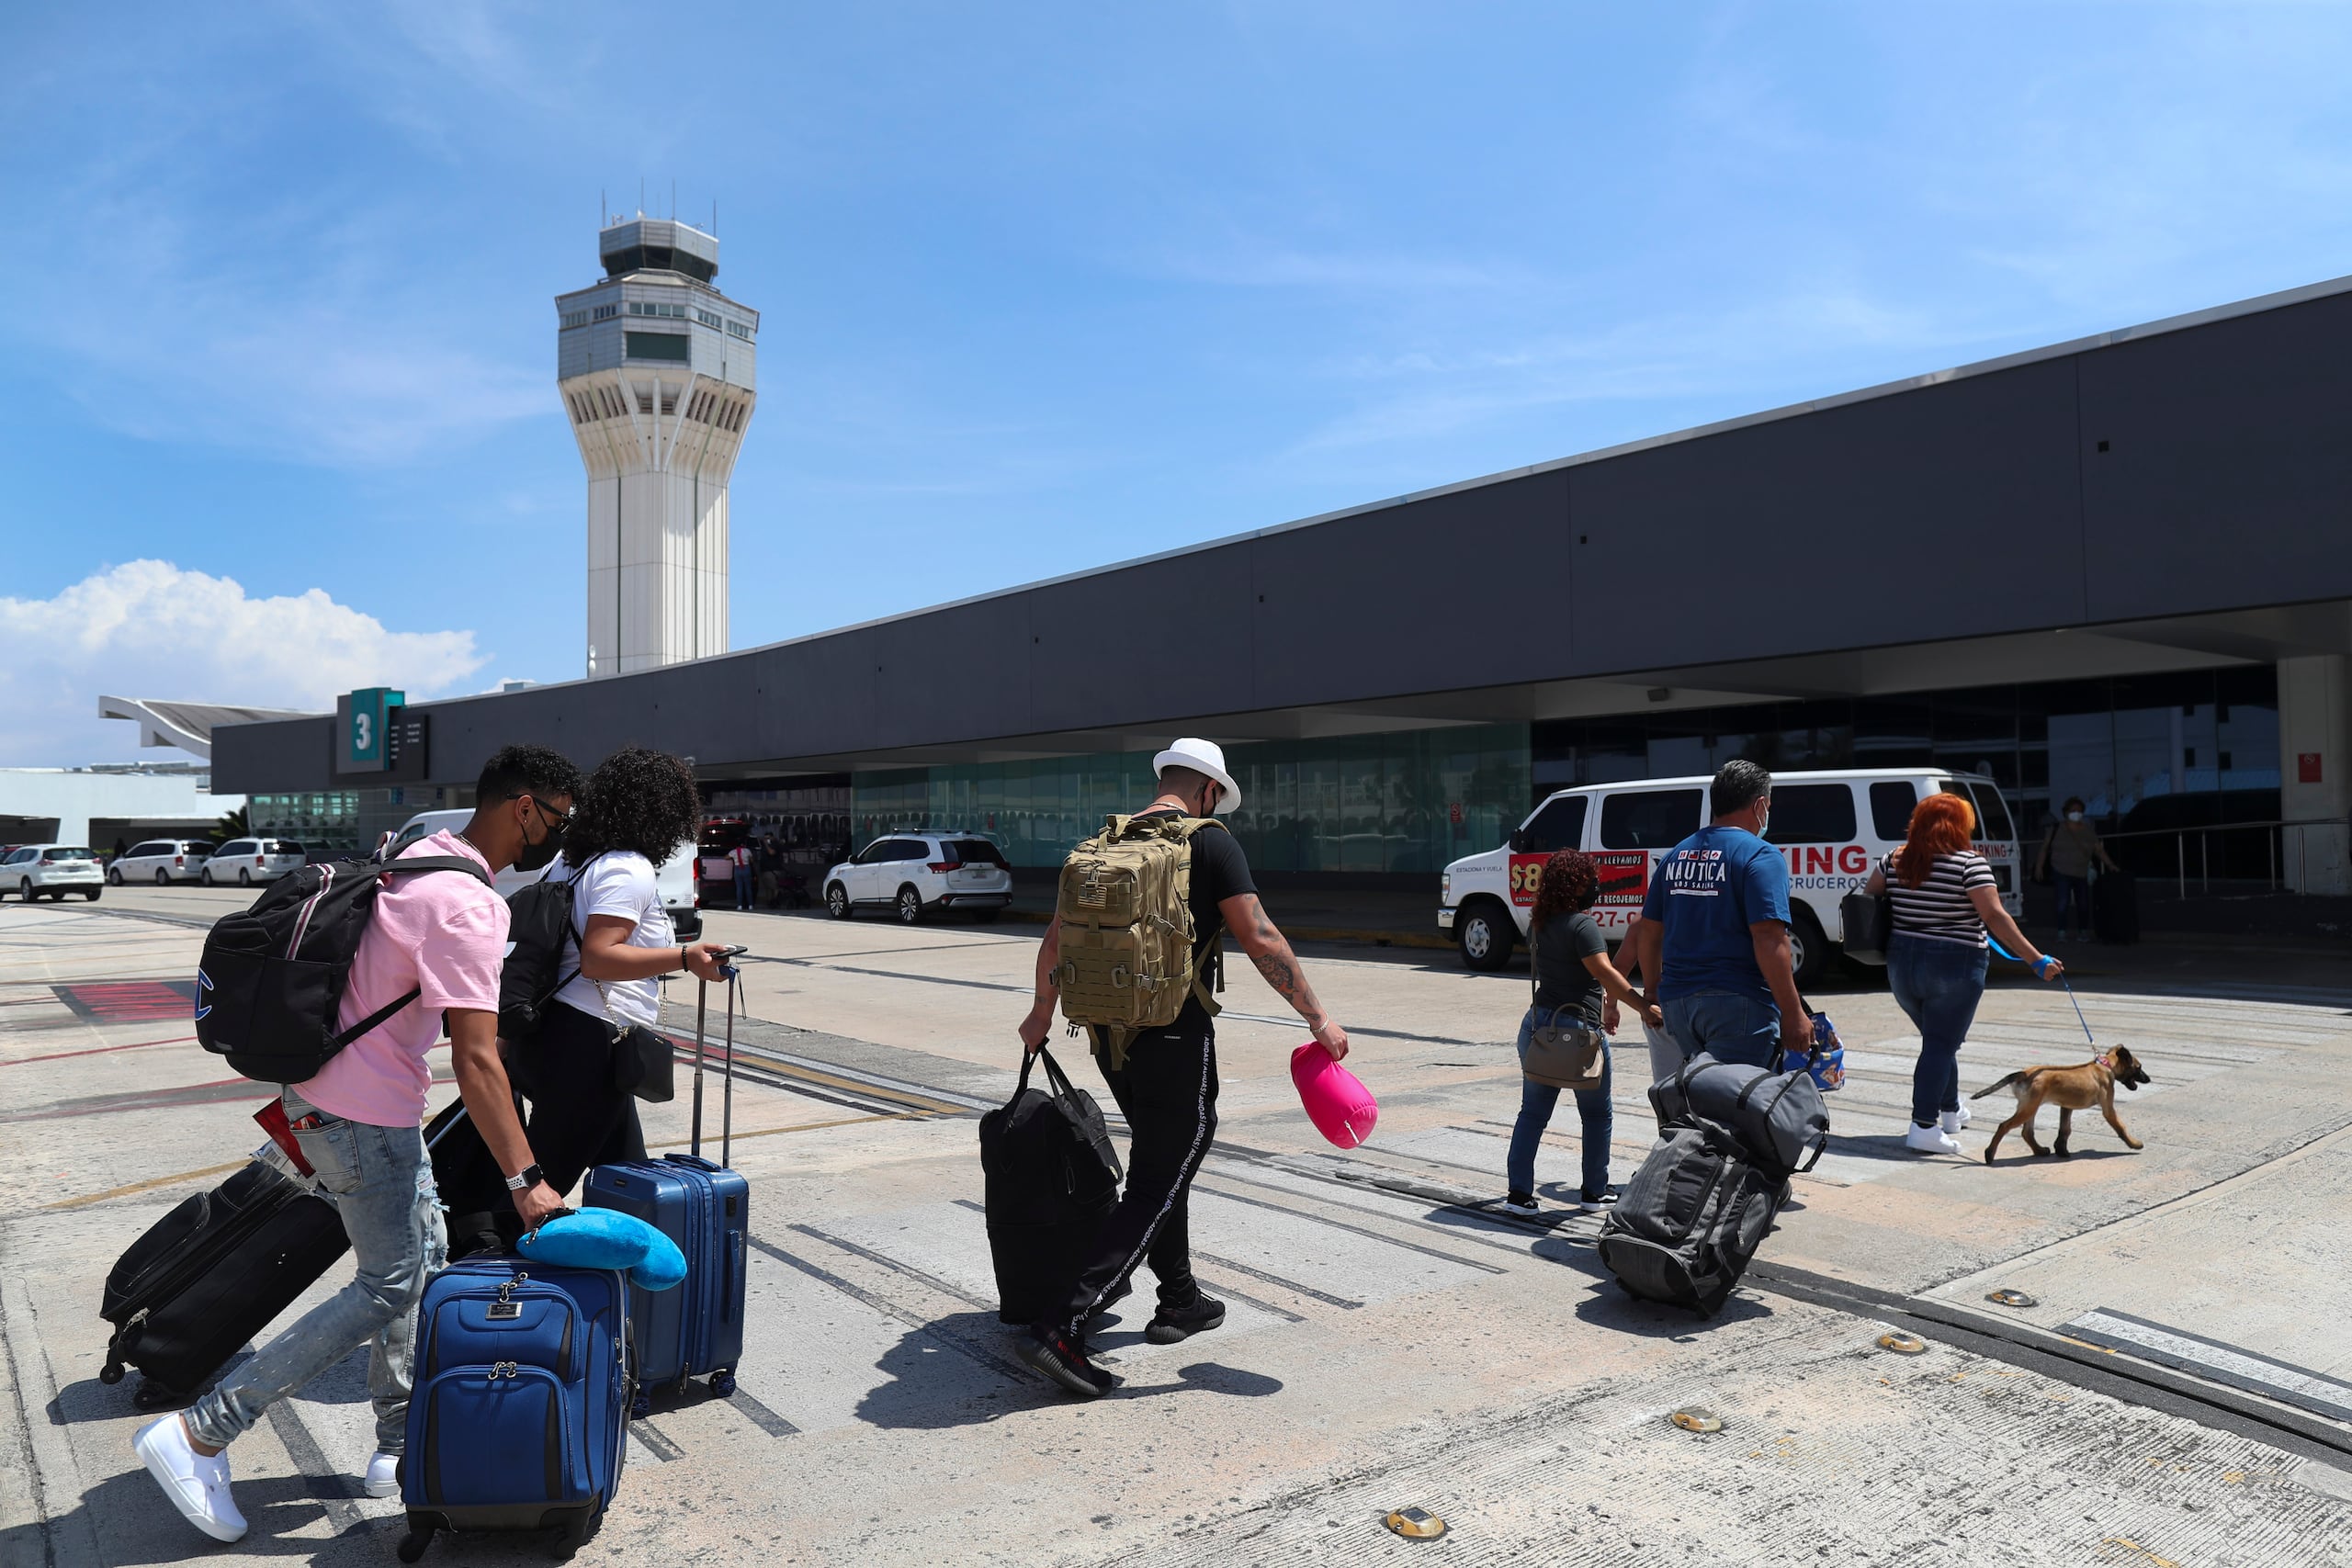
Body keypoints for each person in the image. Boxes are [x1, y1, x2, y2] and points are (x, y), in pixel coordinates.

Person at [135, 745, 584, 1543]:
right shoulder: (471, 904)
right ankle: (201, 1430)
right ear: (524, 806)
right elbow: (477, 1058)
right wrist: (525, 1178)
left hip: (322, 1094)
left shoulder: (409, 858)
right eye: (557, 819)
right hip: (363, 1116)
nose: (556, 835)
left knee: (422, 1255)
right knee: (391, 1283)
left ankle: (397, 1442)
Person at [1014, 738, 1351, 1398]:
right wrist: (1317, 1016)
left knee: (1162, 1164)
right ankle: (1063, 1324)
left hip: (1110, 1032)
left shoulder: (1110, 840)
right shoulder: (1211, 843)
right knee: (1164, 1171)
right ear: (1207, 790)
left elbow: (1056, 937)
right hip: (1174, 1034)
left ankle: (1180, 1298)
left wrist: (1040, 1012)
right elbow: (1259, 936)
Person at [508, 747, 735, 1200]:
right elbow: (598, 957)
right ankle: (493, 1268)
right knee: (536, 1196)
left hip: (560, 1035)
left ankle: (637, 1268)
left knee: (630, 1179)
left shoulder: (572, 861)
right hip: (588, 1045)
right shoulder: (627, 867)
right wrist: (686, 957)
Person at [1867, 791, 2064, 1155]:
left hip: (1902, 965)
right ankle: (1923, 1126)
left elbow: (1868, 899)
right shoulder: (1968, 864)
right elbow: (1994, 917)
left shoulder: (1892, 860)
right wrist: (2036, 960)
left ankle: (1950, 1110)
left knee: (1940, 1040)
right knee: (1940, 1044)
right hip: (1953, 965)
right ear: (1960, 826)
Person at [1500, 850, 1662, 1216]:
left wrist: (1611, 1005)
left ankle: (1518, 1195)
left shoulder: (1538, 923)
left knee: (1532, 1113)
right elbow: (1605, 974)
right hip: (1579, 1035)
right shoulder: (1582, 926)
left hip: (1539, 1028)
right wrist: (1643, 1008)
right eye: (1591, 881)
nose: (1596, 887)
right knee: (1597, 1115)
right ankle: (1593, 1191)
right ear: (1575, 885)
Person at [1631, 760, 1812, 1070]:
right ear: (1759, 805)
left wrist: (1652, 992)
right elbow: (1769, 938)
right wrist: (1793, 1013)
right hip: (1737, 1003)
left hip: (1678, 1005)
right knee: (1738, 1105)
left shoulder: (1675, 856)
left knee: (1700, 1100)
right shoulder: (1760, 854)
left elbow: (1648, 933)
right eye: (1768, 806)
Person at [2035, 796, 2117, 942]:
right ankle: (2061, 932)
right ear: (2066, 812)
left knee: (2083, 903)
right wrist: (2039, 867)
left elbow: (2098, 850)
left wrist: (2110, 864)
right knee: (2062, 903)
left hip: (2081, 872)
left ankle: (2083, 931)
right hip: (2060, 870)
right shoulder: (2056, 829)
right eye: (2073, 811)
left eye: (2079, 811)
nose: (2076, 814)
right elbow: (2044, 848)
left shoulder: (2087, 831)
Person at [729, 836, 755, 911]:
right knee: (748, 888)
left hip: (737, 868)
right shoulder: (747, 851)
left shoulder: (733, 852)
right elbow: (752, 860)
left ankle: (739, 905)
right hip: (746, 868)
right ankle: (750, 905)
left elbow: (726, 857)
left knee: (739, 888)